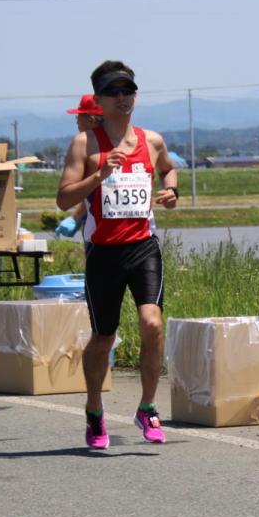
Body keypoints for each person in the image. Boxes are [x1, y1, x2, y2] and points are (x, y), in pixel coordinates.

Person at [57, 61, 179, 449]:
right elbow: (63, 200)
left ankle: (147, 406)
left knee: (152, 323)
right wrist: (98, 176)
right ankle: (94, 410)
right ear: (99, 99)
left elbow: (168, 170)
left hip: (143, 245)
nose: (122, 98)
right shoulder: (85, 144)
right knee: (104, 336)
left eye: (128, 90)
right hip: (103, 252)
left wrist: (171, 192)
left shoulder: (152, 139)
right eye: (114, 92)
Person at [55, 94, 103, 238]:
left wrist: (74, 218)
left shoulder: (86, 147)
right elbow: (96, 193)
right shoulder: (121, 142)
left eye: (78, 117)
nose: (77, 122)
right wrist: (76, 217)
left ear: (91, 120)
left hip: (97, 234)